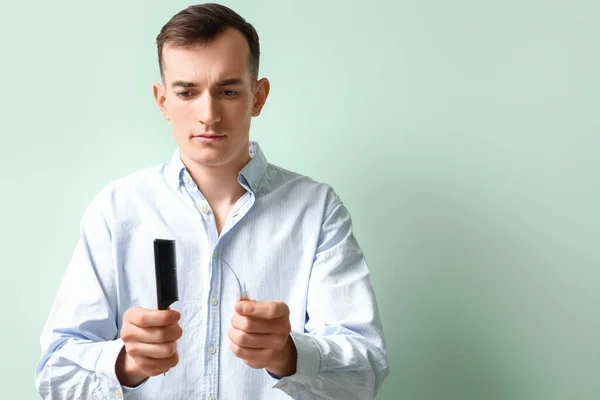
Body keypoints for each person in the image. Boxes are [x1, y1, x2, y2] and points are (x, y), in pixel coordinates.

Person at [35, 3, 389, 399]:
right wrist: (127, 364)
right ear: (162, 100)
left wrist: (290, 354)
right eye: (187, 92)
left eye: (228, 91)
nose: (208, 115)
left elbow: (365, 371)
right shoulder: (117, 210)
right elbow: (55, 373)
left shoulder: (317, 210)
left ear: (258, 96)